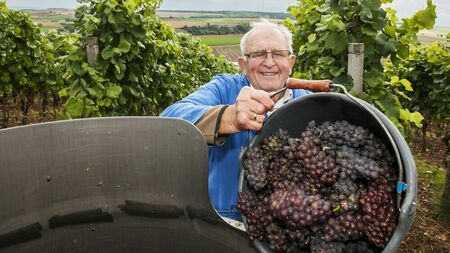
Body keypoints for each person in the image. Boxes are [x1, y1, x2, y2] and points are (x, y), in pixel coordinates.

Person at [160, 19, 311, 221]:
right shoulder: (224, 88)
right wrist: (229, 118)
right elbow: (170, 119)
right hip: (225, 224)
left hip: (288, 227)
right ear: (243, 64)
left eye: (277, 53)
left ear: (291, 62)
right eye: (258, 54)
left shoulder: (311, 104)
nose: (269, 62)